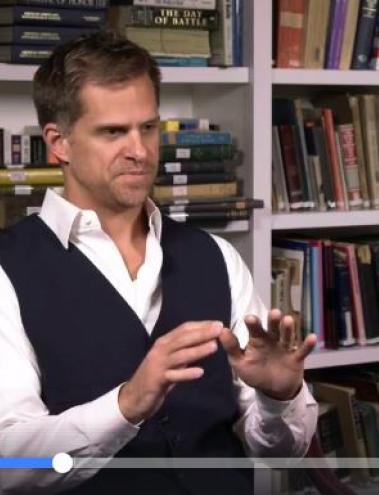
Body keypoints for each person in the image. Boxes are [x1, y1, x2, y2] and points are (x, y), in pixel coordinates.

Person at [0, 32, 318, 495]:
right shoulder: (7, 272)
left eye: (148, 128)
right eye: (113, 132)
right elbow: (8, 461)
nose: (141, 151)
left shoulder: (218, 258)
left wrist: (277, 397)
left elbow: (280, 453)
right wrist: (126, 406)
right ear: (59, 143)